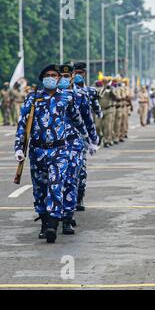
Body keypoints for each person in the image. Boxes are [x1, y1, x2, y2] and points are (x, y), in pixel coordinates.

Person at [14, 64, 86, 243]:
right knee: (40, 188)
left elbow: (76, 119)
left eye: (55, 75)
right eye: (48, 75)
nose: (52, 78)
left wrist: (86, 138)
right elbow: (23, 124)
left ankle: (52, 225)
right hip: (37, 150)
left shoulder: (67, 97)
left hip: (59, 149)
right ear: (42, 78)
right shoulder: (33, 98)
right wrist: (18, 147)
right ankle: (44, 222)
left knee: (56, 184)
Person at [58, 64, 99, 234]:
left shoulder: (82, 93)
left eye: (69, 76)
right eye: (63, 75)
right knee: (55, 179)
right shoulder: (47, 96)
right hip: (55, 143)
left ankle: (73, 206)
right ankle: (53, 216)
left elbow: (87, 117)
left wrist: (92, 139)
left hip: (76, 140)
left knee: (76, 174)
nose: (66, 78)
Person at [72, 62, 98, 211]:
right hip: (60, 139)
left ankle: (79, 198)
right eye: (75, 73)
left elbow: (88, 117)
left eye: (80, 72)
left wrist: (92, 138)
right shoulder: (58, 95)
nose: (77, 75)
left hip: (80, 136)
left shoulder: (87, 92)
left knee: (80, 170)